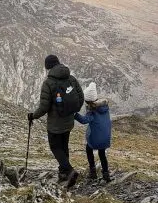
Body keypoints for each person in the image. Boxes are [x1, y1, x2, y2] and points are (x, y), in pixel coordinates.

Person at [28, 54, 84, 188]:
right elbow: (81, 97)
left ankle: (69, 171)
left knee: (55, 147)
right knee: (64, 146)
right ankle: (63, 173)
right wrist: (70, 112)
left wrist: (33, 116)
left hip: (55, 124)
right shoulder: (71, 78)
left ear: (48, 67)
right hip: (69, 121)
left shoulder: (48, 83)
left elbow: (44, 107)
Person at [74, 82, 112, 182]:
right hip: (106, 136)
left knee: (88, 149)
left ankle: (93, 172)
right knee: (102, 153)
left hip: (97, 138)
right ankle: (106, 174)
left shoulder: (92, 110)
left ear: (88, 101)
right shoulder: (104, 107)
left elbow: (84, 120)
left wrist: (75, 114)